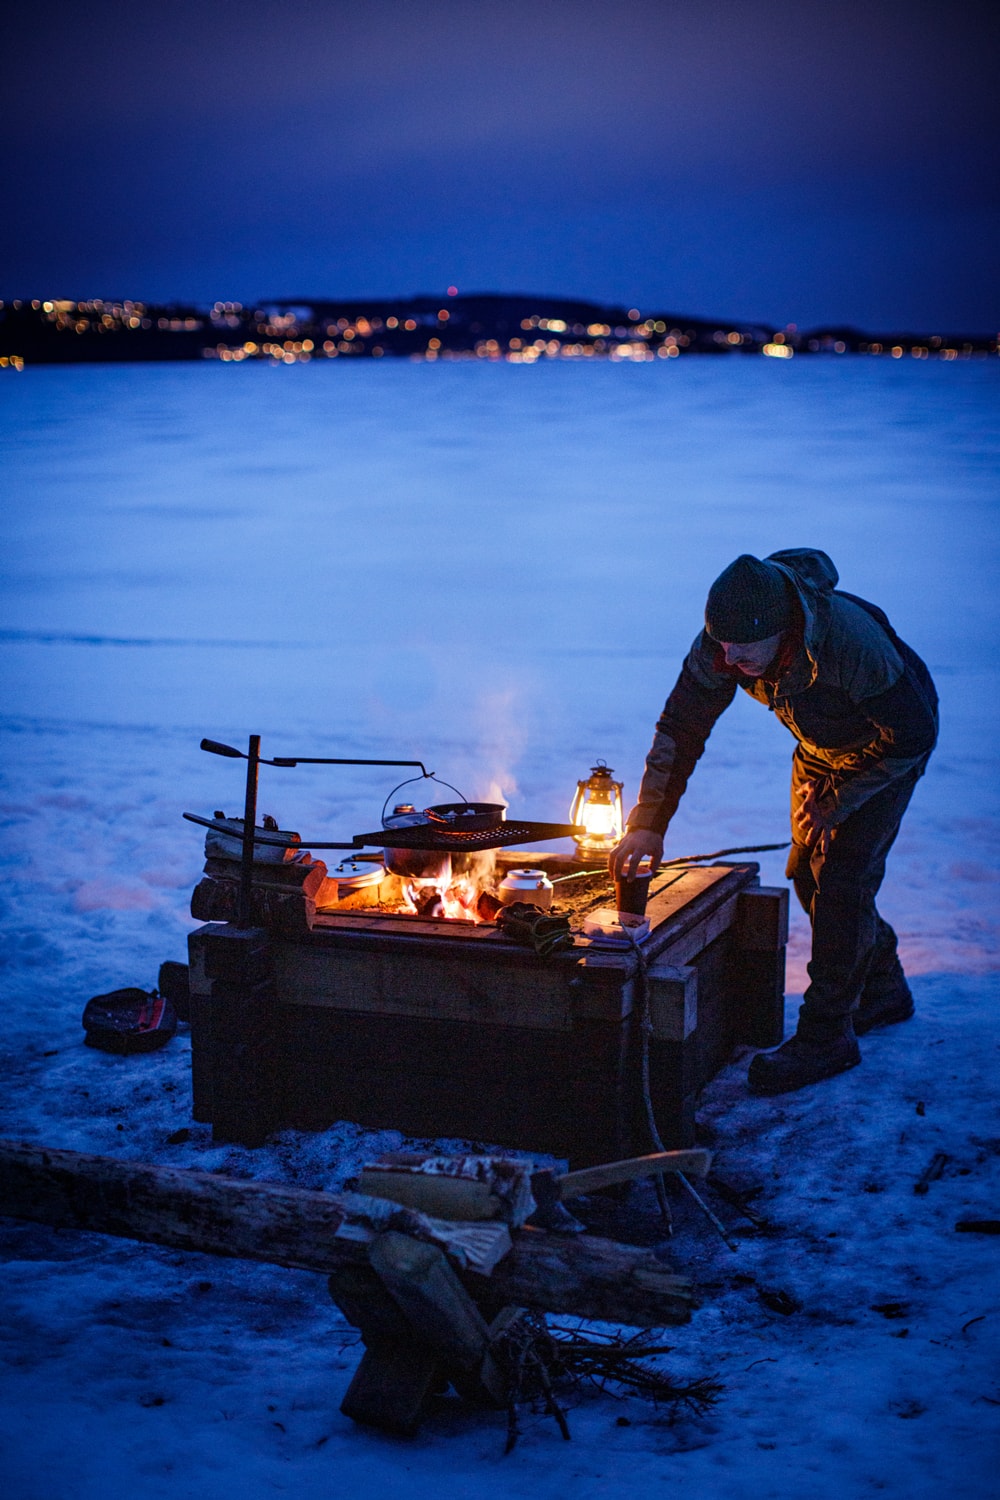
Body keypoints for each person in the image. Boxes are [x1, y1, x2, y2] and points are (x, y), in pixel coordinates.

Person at [609, 549, 938, 1095]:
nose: (729, 660)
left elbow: (913, 734)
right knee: (807, 873)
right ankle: (882, 986)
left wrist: (843, 799)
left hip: (885, 750)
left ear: (783, 629)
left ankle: (826, 1035)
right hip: (819, 751)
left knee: (842, 880)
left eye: (742, 647)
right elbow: (680, 729)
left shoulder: (850, 644)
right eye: (721, 644)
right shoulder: (721, 646)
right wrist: (649, 822)